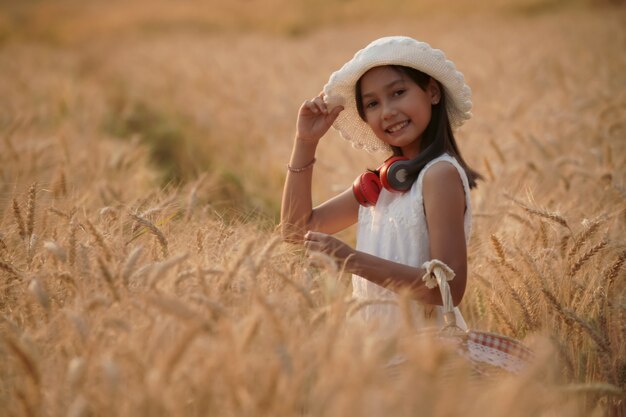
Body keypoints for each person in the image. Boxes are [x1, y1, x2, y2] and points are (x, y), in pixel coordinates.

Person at [281, 36, 482, 333]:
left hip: (426, 357)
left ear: (433, 92)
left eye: (398, 92)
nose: (387, 111)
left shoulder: (439, 175)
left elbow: (447, 289)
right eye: (372, 103)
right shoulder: (380, 185)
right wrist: (305, 142)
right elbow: (295, 230)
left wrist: (350, 259)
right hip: (379, 353)